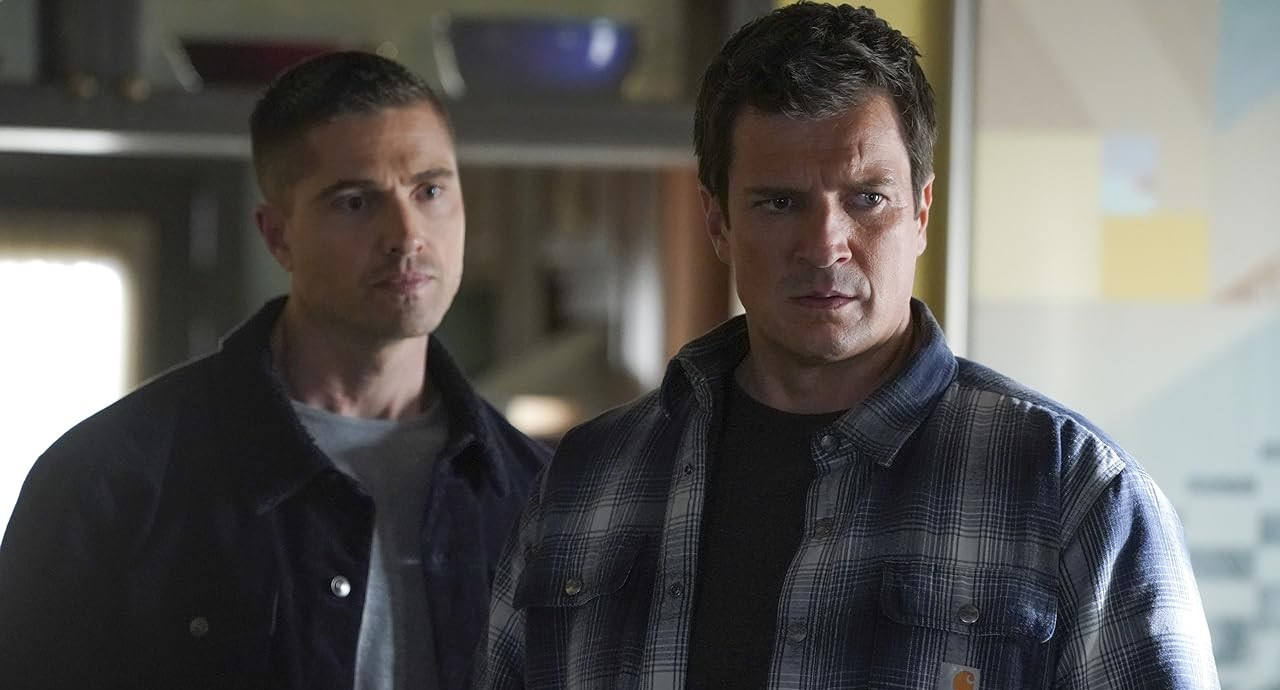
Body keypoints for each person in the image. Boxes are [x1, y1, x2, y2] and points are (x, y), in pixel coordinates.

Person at [473, 4, 1219, 689]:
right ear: (718, 222)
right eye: (779, 202)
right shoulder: (586, 480)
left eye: (867, 198)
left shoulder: (1074, 492)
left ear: (920, 211)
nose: (825, 244)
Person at [0, 51, 549, 689]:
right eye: (355, 202)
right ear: (278, 236)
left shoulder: (542, 494)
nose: (407, 234)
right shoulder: (110, 480)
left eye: (430, 191)